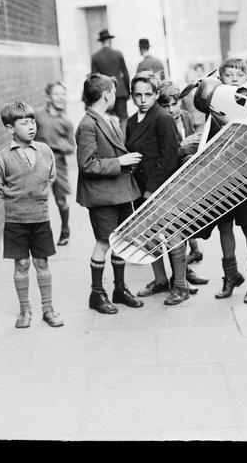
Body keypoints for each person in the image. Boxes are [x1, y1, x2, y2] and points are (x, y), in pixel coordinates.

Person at [193, 58, 247, 304]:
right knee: (224, 227)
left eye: (239, 74)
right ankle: (231, 276)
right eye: (228, 74)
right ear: (220, 79)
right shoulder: (213, 111)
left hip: (244, 176)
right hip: (220, 178)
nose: (234, 78)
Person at [0, 101, 64, 329]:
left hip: (40, 218)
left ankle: (48, 309)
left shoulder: (45, 150)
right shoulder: (3, 156)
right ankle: (24, 311)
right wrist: (17, 197)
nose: (31, 126)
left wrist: (38, 193)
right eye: (24, 123)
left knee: (42, 262)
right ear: (11, 128)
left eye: (32, 121)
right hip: (16, 221)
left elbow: (51, 176)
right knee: (21, 264)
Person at [76, 73, 144, 315]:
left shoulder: (106, 119)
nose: (116, 96)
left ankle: (119, 289)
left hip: (120, 192)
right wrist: (120, 161)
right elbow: (87, 164)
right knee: (104, 242)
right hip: (102, 196)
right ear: (106, 94)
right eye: (113, 92)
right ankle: (97, 294)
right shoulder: (87, 125)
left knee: (121, 241)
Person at [125, 71, 193, 305]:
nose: (142, 100)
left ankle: (181, 285)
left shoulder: (162, 118)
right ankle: (161, 279)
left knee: (173, 233)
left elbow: (169, 156)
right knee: (149, 236)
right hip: (141, 188)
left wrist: (152, 188)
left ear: (155, 94)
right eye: (137, 95)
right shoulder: (133, 122)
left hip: (163, 187)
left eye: (147, 94)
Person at [157, 84, 209, 279]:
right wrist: (183, 146)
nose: (171, 109)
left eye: (174, 104)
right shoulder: (161, 121)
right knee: (171, 230)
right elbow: (165, 154)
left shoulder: (185, 116)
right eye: (166, 105)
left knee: (185, 226)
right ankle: (177, 275)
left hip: (185, 177)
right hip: (168, 178)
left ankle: (185, 270)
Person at [34, 81, 75, 246]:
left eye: (63, 94)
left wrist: (66, 147)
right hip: (37, 161)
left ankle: (65, 229)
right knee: (37, 199)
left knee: (60, 201)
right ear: (48, 97)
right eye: (57, 94)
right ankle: (39, 236)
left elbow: (72, 146)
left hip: (57, 161)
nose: (61, 97)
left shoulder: (66, 121)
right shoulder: (37, 115)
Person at [91, 29, 131, 132]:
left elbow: (93, 78)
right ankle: (123, 143)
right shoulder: (118, 54)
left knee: (108, 118)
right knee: (123, 118)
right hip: (121, 91)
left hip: (106, 92)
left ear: (101, 41)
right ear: (110, 40)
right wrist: (128, 90)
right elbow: (125, 73)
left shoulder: (96, 57)